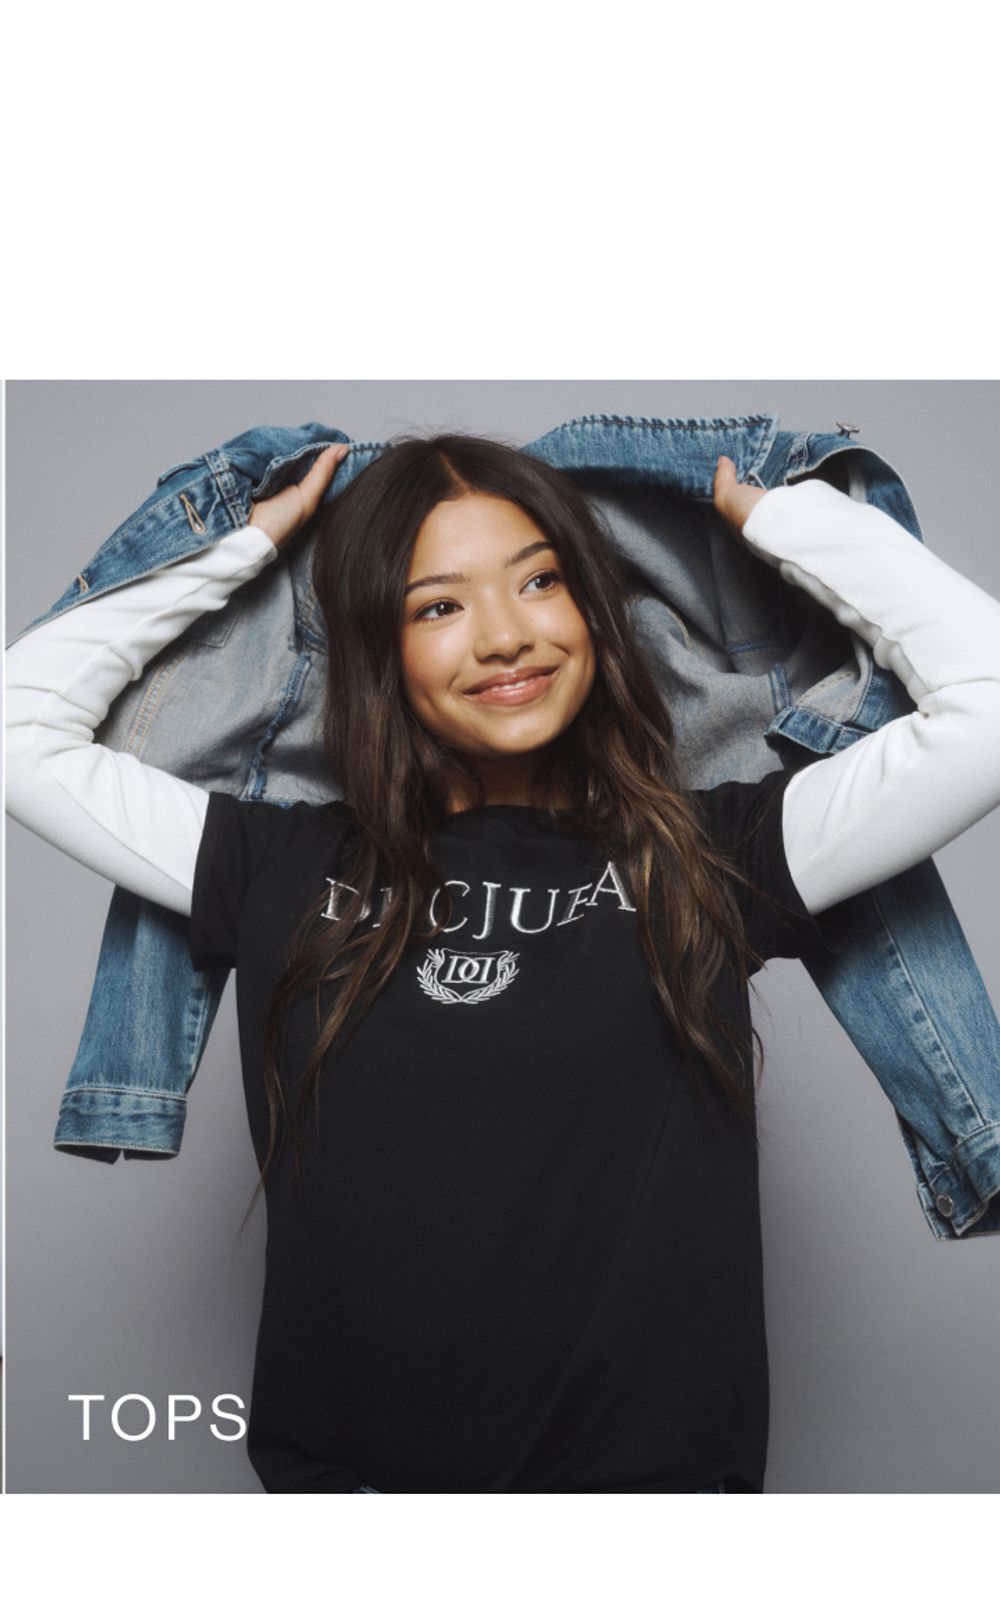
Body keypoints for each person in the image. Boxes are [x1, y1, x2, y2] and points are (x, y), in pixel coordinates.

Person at [7, 432, 1000, 1494]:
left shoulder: (710, 856)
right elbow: (22, 731)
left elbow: (982, 707)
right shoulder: (272, 864)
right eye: (437, 605)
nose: (504, 637)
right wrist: (246, 543)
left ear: (595, 612)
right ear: (371, 645)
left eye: (541, 581)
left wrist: (767, 512)